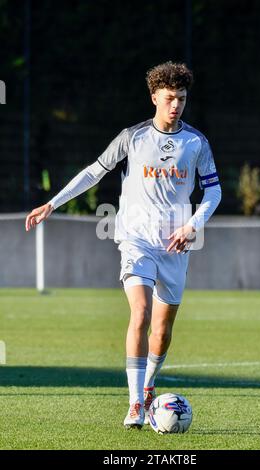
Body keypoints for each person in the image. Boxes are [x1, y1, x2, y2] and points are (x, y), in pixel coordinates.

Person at [25, 61, 222, 429]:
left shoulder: (196, 142)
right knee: (141, 312)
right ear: (154, 98)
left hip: (177, 248)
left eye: (181, 98)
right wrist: (53, 203)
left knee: (162, 331)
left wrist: (194, 224)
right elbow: (94, 171)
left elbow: (214, 189)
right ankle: (134, 404)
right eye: (169, 98)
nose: (175, 105)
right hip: (135, 240)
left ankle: (148, 388)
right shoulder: (132, 137)